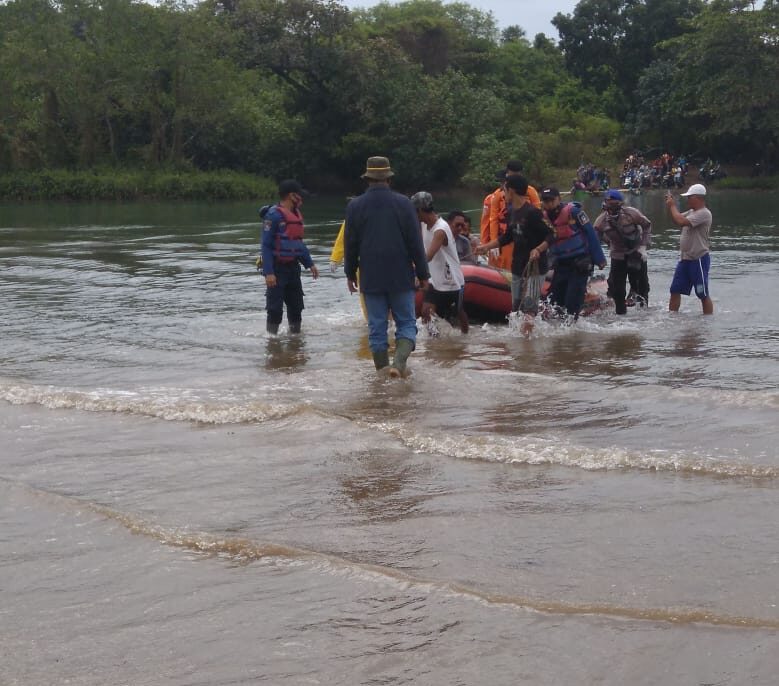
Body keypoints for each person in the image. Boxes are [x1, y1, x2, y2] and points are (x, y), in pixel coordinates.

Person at [344, 156, 430, 377]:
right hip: (400, 275)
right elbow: (415, 243)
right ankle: (399, 366)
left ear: (368, 179)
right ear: (389, 179)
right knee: (406, 322)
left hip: (371, 276)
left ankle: (382, 371)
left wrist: (350, 272)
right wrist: (423, 274)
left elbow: (350, 244)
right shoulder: (404, 204)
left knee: (377, 327)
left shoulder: (355, 206)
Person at [475, 175, 551, 335]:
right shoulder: (512, 212)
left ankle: (526, 346)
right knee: (516, 308)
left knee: (529, 307)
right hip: (518, 265)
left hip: (535, 268)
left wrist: (538, 249)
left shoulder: (533, 213)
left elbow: (552, 234)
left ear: (512, 191)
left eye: (505, 190)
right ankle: (521, 342)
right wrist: (485, 247)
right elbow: (507, 237)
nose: (503, 193)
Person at [260, 179, 319, 334]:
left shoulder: (296, 215)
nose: (301, 198)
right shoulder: (273, 216)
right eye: (299, 195)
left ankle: (296, 341)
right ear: (292, 196)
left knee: (296, 307)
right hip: (277, 269)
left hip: (293, 268)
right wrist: (269, 272)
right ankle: (272, 343)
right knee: (275, 309)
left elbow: (297, 243)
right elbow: (265, 245)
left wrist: (309, 263)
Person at [538, 187, 606, 320]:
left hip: (580, 262)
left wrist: (599, 259)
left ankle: (572, 333)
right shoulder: (543, 218)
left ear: (559, 199)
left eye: (551, 200)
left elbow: (590, 234)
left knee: (572, 302)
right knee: (555, 302)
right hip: (560, 263)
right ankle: (560, 332)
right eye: (545, 201)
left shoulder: (574, 212)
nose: (549, 204)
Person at [413, 194, 468, 334]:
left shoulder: (441, 229)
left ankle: (466, 340)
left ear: (420, 210)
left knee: (459, 313)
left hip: (452, 280)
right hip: (434, 280)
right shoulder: (422, 225)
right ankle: (434, 346)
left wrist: (412, 269)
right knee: (426, 312)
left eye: (414, 210)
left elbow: (428, 256)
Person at [593, 189, 652, 314]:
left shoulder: (632, 213)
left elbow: (647, 225)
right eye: (608, 202)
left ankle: (644, 314)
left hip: (636, 253)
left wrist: (643, 246)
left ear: (620, 203)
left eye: (614, 202)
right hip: (618, 256)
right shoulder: (601, 221)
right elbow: (594, 239)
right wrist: (601, 252)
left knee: (642, 286)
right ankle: (620, 315)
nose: (611, 205)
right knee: (618, 289)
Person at [665, 183, 714, 315]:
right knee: (675, 290)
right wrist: (671, 206)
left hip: (698, 259)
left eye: (689, 197)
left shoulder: (704, 213)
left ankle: (707, 322)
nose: (687, 200)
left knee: (702, 293)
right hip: (685, 259)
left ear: (698, 198)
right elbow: (677, 218)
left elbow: (681, 221)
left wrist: (672, 206)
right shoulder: (692, 212)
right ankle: (672, 318)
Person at [486, 160, 542, 270]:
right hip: (505, 236)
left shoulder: (530, 192)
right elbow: (493, 219)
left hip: (523, 236)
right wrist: (493, 240)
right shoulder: (497, 195)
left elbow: (538, 215)